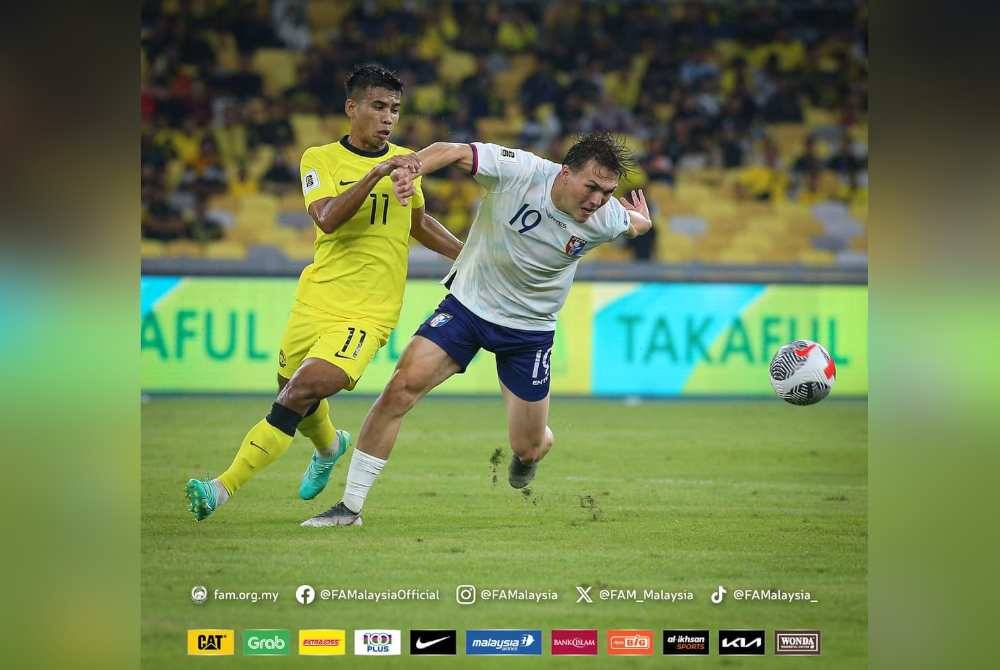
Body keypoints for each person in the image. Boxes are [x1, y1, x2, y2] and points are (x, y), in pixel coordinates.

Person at [301, 132, 654, 527]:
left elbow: (636, 224)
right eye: (591, 187)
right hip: (469, 307)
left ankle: (534, 450)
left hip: (529, 332)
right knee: (399, 389)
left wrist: (643, 219)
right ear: (565, 172)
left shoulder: (606, 217)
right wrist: (411, 167)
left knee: (528, 446)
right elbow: (451, 151)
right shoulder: (522, 172)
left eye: (607, 192)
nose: (597, 200)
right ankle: (349, 509)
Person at [185, 63, 463, 521]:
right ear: (352, 107)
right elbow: (327, 218)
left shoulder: (408, 161)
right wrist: (375, 174)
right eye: (378, 106)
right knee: (291, 388)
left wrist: (467, 256)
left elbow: (417, 223)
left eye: (394, 109)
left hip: (368, 312)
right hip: (316, 299)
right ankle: (330, 445)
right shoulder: (319, 159)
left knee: (300, 391)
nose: (388, 117)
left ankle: (221, 488)